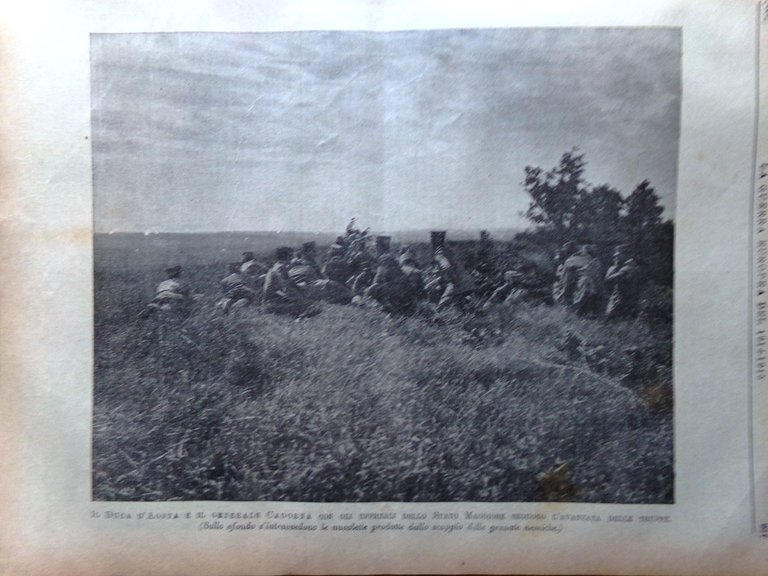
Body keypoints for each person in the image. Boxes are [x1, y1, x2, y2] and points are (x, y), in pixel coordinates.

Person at [264, 247, 317, 317]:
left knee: (309, 304)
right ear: (287, 257)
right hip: (273, 301)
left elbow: (289, 285)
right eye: (291, 256)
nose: (292, 258)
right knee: (310, 306)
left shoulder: (277, 266)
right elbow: (287, 288)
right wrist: (302, 299)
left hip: (273, 299)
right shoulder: (280, 269)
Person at [430, 230, 476, 311]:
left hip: (457, 283)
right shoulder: (448, 249)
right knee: (459, 304)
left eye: (432, 237)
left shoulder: (439, 252)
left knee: (441, 305)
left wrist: (453, 280)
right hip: (467, 282)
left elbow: (446, 267)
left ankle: (437, 315)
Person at [562, 244, 604, 316]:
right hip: (580, 282)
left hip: (590, 283)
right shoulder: (574, 259)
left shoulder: (596, 261)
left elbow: (597, 274)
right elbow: (567, 277)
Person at [605, 246, 640, 319]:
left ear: (625, 255)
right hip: (628, 297)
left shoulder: (626, 268)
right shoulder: (633, 266)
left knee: (611, 317)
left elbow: (608, 279)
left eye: (618, 256)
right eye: (616, 256)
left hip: (622, 298)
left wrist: (613, 268)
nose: (616, 258)